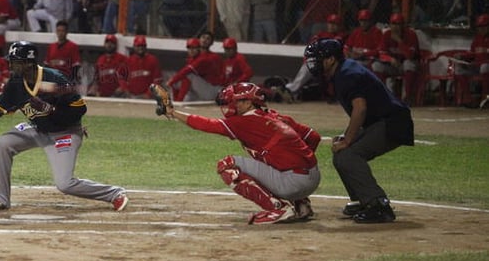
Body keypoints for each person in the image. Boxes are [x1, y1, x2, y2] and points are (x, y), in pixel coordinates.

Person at [0, 40, 129, 212]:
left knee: (65, 184)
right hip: (37, 129)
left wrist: (48, 108)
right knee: (3, 143)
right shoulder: (15, 83)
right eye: (11, 61)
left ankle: (114, 194)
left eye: (16, 62)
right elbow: (0, 107)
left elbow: (80, 109)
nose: (11, 66)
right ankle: (1, 198)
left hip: (65, 133)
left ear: (29, 63)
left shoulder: (55, 79)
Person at [155, 82, 321, 224]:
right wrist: (300, 162)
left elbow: (206, 125)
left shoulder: (244, 121)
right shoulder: (275, 116)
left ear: (249, 103)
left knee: (227, 165)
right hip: (313, 179)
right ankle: (302, 204)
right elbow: (313, 137)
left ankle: (278, 208)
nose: (232, 105)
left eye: (237, 102)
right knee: (273, 158)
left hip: (291, 183)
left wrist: (173, 112)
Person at [303, 37, 414, 223]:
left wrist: (348, 140)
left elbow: (360, 109)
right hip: (383, 120)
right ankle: (364, 200)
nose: (314, 63)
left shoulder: (346, 74)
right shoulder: (344, 70)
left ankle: (379, 205)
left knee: (348, 155)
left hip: (393, 122)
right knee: (341, 154)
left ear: (330, 59)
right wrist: (347, 138)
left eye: (318, 59)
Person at [372, 13, 420, 105]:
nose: (396, 27)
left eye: (398, 24)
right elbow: (381, 54)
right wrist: (390, 59)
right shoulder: (387, 34)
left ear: (403, 25)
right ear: (390, 25)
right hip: (393, 66)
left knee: (408, 63)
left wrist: (399, 41)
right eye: (393, 24)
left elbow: (410, 55)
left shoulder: (411, 34)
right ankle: (382, 96)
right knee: (377, 65)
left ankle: (407, 97)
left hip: (408, 67)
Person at [166, 38, 224, 102]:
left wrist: (171, 81)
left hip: (213, 90)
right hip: (202, 89)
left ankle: (179, 101)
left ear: (199, 48)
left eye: (194, 48)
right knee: (177, 82)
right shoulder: (191, 59)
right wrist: (173, 81)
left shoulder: (202, 58)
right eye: (189, 48)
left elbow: (186, 71)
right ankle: (175, 102)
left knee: (188, 76)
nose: (191, 50)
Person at [454, 13, 489, 108]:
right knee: (458, 69)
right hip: (476, 66)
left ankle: (485, 99)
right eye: (479, 27)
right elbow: (472, 54)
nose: (481, 29)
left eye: (483, 26)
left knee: (485, 67)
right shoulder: (477, 38)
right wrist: (462, 56)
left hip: (485, 66)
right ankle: (468, 99)